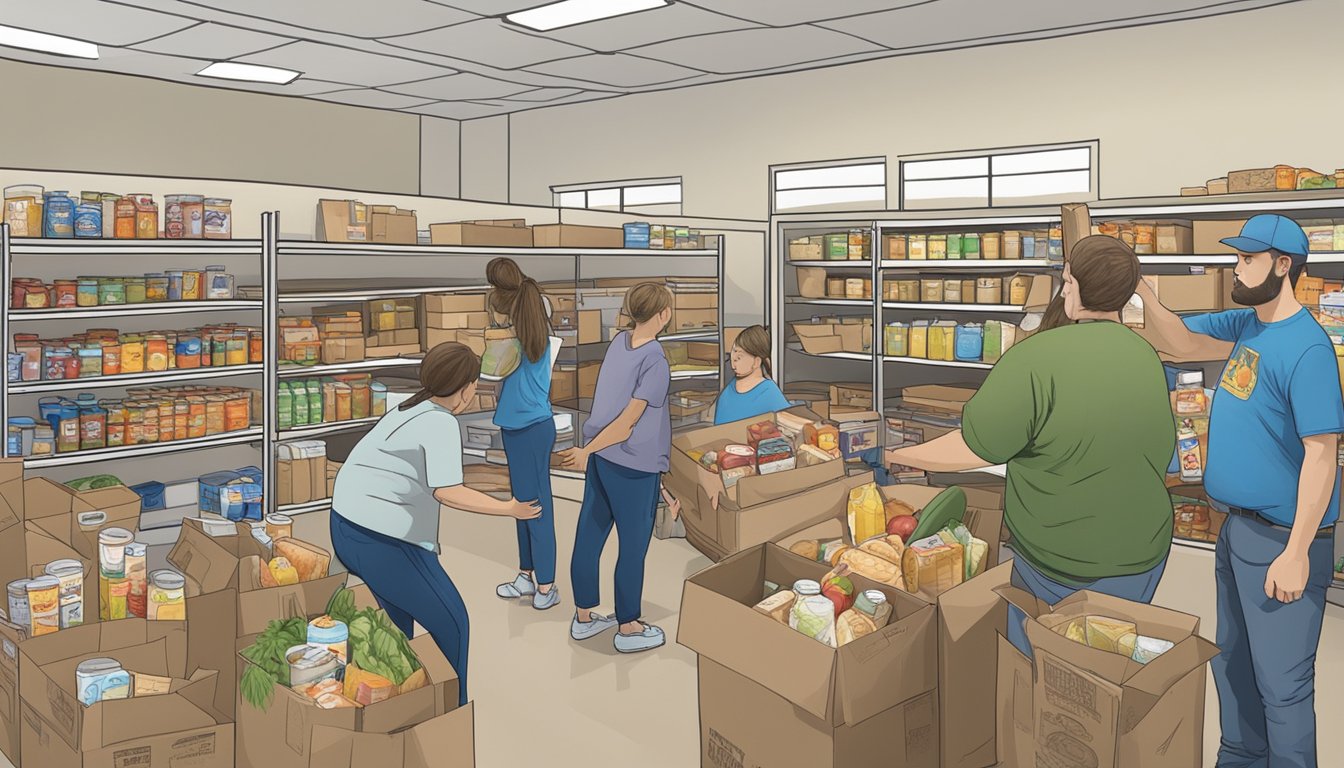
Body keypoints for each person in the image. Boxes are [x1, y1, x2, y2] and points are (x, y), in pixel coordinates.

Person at [885, 235, 1176, 657]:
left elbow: (977, 447)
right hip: (1140, 552)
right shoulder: (1146, 355)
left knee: (1041, 677)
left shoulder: (1035, 357)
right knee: (1111, 673)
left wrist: (896, 453)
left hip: (1060, 561)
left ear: (1071, 285)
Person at [1137, 214, 1342, 768]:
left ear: (1283, 266)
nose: (1237, 266)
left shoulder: (1307, 349)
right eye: (1237, 256)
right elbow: (1178, 342)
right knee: (1233, 666)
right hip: (1238, 530)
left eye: (1248, 259)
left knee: (1283, 687)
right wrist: (1141, 289)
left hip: (1281, 539)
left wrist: (1298, 552)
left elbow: (1323, 455)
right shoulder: (1249, 324)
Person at [329, 342, 542, 705]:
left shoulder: (408, 408)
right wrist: (509, 509)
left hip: (345, 525)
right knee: (453, 623)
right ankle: (449, 713)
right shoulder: (441, 422)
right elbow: (448, 492)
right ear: (466, 387)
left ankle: (397, 707)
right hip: (385, 539)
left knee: (395, 629)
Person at [560, 282, 674, 653]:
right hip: (634, 465)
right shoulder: (655, 358)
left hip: (602, 462)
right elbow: (628, 422)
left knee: (589, 537)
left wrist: (590, 451)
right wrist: (586, 449)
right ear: (662, 315)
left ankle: (584, 618)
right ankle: (628, 626)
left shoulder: (619, 343)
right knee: (632, 546)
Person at [487, 258, 562, 611]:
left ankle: (545, 584)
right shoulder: (529, 333)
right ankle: (527, 574)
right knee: (522, 505)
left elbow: (489, 368)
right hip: (517, 426)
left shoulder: (517, 343)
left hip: (531, 428)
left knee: (536, 506)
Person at [713, 325, 791, 425]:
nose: (733, 359)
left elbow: (788, 422)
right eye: (733, 351)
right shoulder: (727, 393)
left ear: (756, 362)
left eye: (740, 356)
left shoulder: (768, 391)